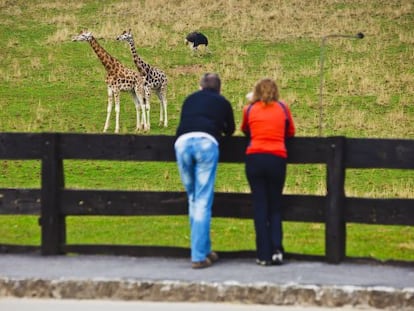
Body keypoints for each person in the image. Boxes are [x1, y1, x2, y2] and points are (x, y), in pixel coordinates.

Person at [175, 73, 235, 269]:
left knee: (193, 197)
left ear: (200, 87)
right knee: (202, 200)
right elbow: (230, 130)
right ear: (219, 89)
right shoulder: (222, 102)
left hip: (182, 143)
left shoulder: (189, 99)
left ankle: (204, 249)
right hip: (205, 144)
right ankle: (199, 256)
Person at [240, 78, 295, 266]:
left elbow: (244, 129)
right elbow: (291, 132)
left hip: (255, 158)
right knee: (275, 205)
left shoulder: (249, 109)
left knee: (260, 206)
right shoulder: (283, 108)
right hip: (277, 158)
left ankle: (263, 254)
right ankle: (277, 249)